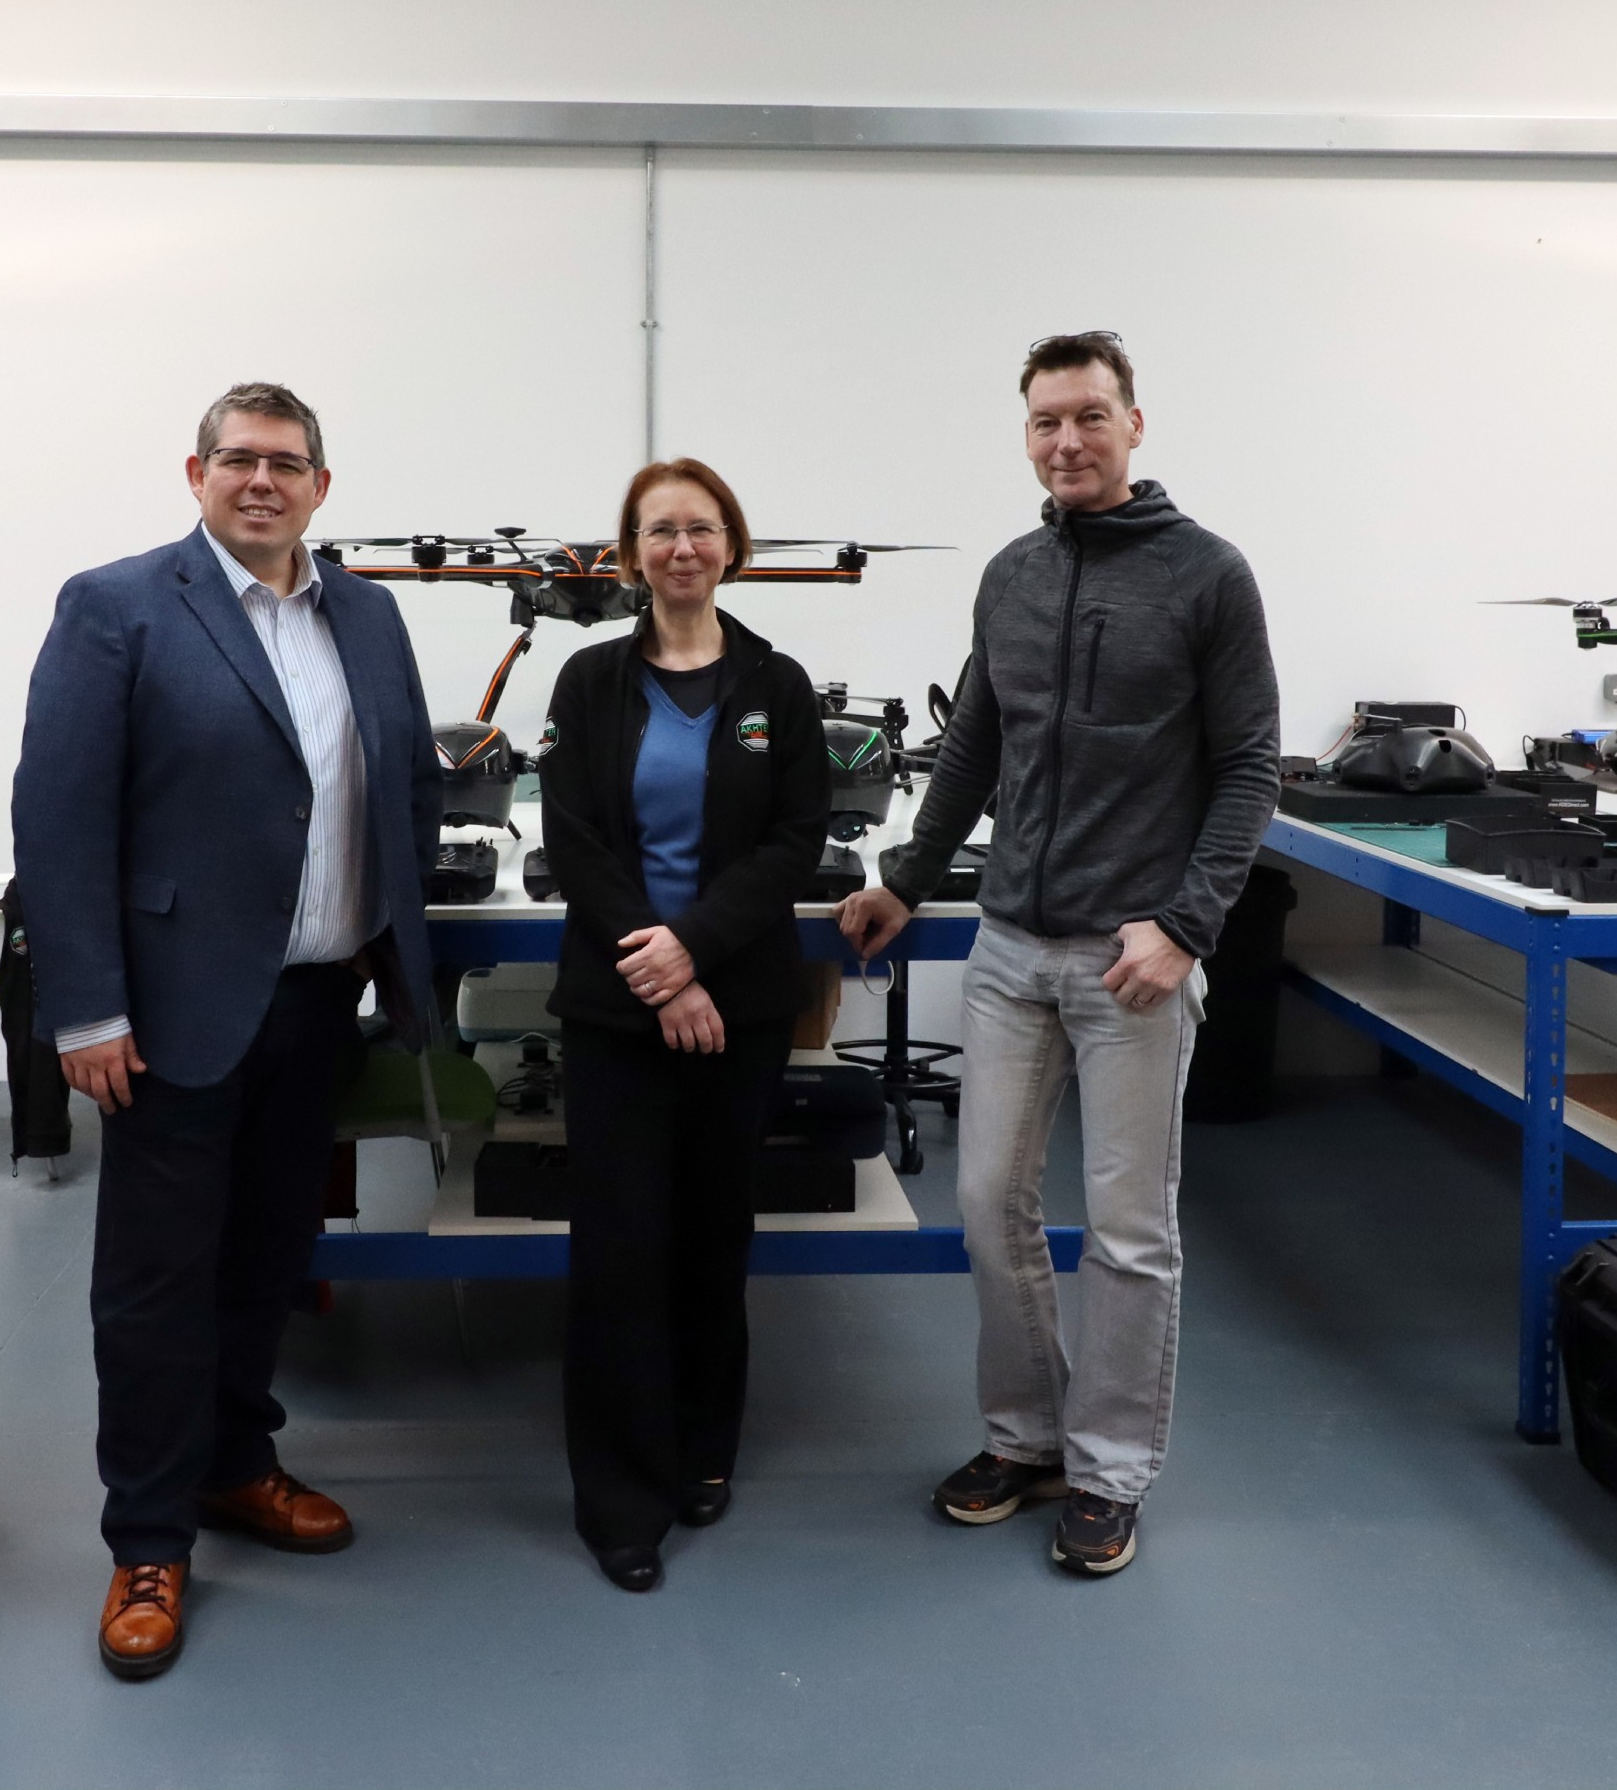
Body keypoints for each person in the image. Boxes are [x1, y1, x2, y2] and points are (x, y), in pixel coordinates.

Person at [14, 381, 440, 1680]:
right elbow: (59, 817)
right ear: (194, 473)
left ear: (321, 486)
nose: (262, 480)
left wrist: (383, 939)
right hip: (166, 1014)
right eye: (239, 458)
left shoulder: (365, 612)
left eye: (286, 463)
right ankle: (147, 1537)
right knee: (156, 1283)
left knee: (266, 1257)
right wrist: (86, 1007)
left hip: (314, 1001)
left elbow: (403, 781)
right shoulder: (120, 605)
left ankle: (235, 1462)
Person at [840, 332, 1278, 1577]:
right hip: (1010, 949)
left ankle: (1110, 1470)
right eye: (1046, 421)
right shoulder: (1013, 575)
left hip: (1132, 959)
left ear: (1135, 423)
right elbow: (974, 745)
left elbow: (1250, 766)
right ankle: (1027, 1439)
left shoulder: (1209, 576)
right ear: (1026, 435)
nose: (1068, 440)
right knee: (989, 1204)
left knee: (1130, 1231)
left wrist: (1186, 925)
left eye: (1090, 415)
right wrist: (906, 878)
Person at [538, 458, 828, 1592]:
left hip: (737, 1008)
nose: (682, 548)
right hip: (619, 1009)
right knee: (618, 1248)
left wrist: (696, 950)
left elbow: (795, 842)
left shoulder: (778, 683)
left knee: (713, 1236)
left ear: (731, 546)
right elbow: (572, 840)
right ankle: (619, 1499)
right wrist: (661, 971)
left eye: (701, 529)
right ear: (631, 555)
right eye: (659, 531)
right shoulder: (589, 681)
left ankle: (704, 1448)